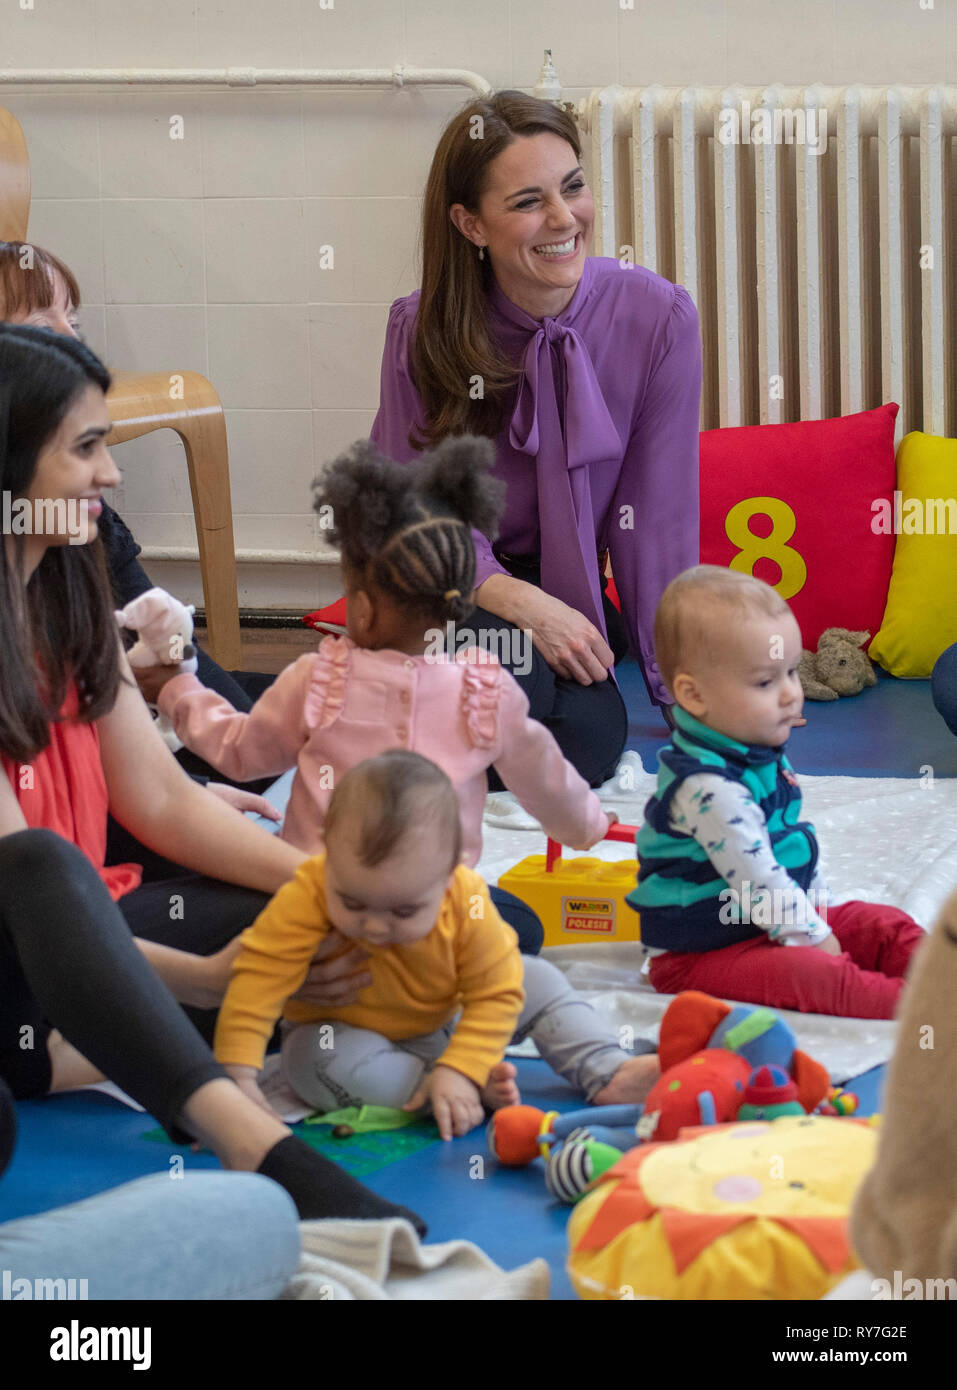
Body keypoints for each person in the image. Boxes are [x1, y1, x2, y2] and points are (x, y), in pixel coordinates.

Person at [0, 321, 426, 1232]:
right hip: (22, 954)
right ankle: (240, 1116)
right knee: (40, 875)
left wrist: (339, 890)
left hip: (96, 932)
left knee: (450, 917)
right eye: (86, 448)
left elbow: (160, 800)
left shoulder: (67, 590)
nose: (111, 475)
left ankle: (129, 1035)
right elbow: (17, 907)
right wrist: (201, 975)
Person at [369, 90, 702, 786]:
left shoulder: (659, 317)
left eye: (572, 188)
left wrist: (683, 696)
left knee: (585, 743)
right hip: (454, 582)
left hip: (565, 588)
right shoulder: (418, 328)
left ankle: (402, 728)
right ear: (471, 224)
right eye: (527, 202)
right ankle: (397, 712)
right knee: (511, 679)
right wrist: (517, 601)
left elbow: (654, 520)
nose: (563, 219)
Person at [142, 435, 612, 920]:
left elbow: (239, 753)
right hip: (431, 914)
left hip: (322, 910)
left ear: (360, 610)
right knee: (520, 931)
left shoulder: (316, 680)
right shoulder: (486, 692)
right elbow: (546, 781)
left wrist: (177, 690)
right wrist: (588, 825)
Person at [218, 751, 655, 1138]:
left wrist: (460, 1061)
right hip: (347, 1032)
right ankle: (437, 1090)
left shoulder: (467, 899)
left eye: (403, 911)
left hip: (449, 1017)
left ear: (451, 874)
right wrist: (235, 1079)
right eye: (351, 902)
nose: (373, 926)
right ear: (327, 856)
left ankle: (604, 1068)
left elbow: (497, 991)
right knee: (313, 1060)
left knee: (535, 977)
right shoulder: (306, 891)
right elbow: (256, 981)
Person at [0, 239, 277, 793]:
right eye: (39, 323)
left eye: (72, 319)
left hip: (123, 735)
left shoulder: (77, 526)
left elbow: (173, 671)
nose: (70, 339)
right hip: (70, 824)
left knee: (304, 713)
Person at [628, 565, 927, 1019]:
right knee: (820, 978)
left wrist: (819, 911)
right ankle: (930, 1011)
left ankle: (939, 973)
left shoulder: (756, 747)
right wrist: (813, 935)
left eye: (791, 672)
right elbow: (758, 879)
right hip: (700, 955)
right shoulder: (707, 788)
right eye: (766, 682)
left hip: (771, 920)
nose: (792, 694)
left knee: (884, 925)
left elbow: (786, 836)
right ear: (693, 695)